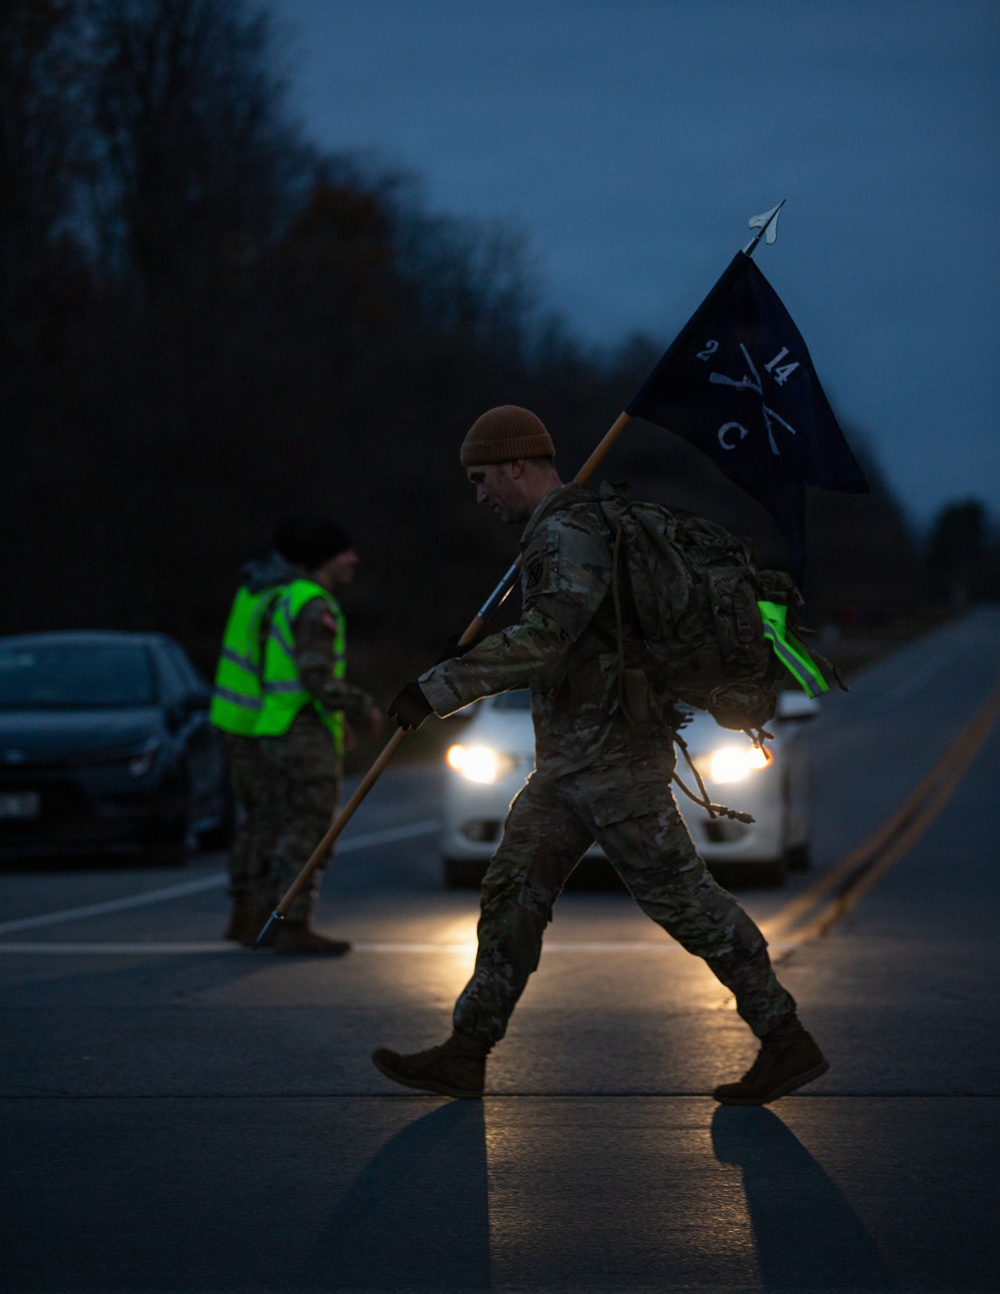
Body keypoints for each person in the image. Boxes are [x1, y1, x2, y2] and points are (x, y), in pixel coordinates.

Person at [374, 405, 828, 1104]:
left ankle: (785, 1038)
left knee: (687, 903)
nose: (479, 495)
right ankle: (467, 1052)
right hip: (569, 767)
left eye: (482, 478)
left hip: (614, 764)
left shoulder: (566, 532)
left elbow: (547, 637)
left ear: (516, 465)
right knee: (512, 894)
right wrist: (461, 672)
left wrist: (437, 689)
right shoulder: (564, 527)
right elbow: (570, 645)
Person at [253, 515, 386, 955]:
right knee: (309, 833)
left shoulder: (289, 597)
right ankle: (292, 925)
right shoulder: (314, 605)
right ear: (326, 558)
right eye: (345, 552)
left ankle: (272, 919)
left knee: (287, 827)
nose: (353, 560)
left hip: (282, 728)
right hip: (302, 734)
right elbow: (314, 675)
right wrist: (361, 705)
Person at [211, 545, 296, 945]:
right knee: (266, 821)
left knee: (253, 820)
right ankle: (252, 914)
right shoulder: (279, 596)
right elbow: (274, 664)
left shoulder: (252, 588)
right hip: (256, 722)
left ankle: (242, 911)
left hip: (233, 718)